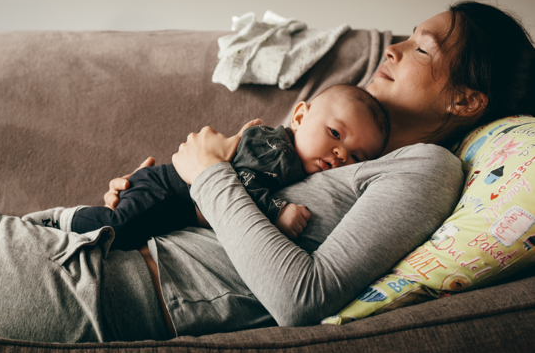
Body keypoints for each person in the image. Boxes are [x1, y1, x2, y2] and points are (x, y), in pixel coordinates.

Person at [0, 1, 534, 344]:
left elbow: (301, 297)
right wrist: (158, 196)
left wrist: (206, 177)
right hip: (91, 253)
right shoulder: (348, 147)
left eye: (422, 47)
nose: (396, 47)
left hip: (99, 292)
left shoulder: (426, 170)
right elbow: (231, 220)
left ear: (464, 100)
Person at [22, 84, 389, 247]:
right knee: (121, 228)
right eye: (335, 133)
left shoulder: (294, 162)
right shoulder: (277, 150)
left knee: (127, 240)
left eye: (357, 156)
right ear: (299, 114)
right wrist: (278, 210)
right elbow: (241, 182)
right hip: (170, 189)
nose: (341, 155)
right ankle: (57, 221)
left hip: (180, 203)